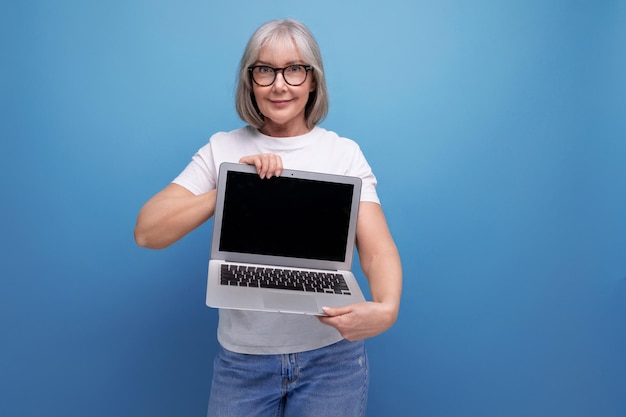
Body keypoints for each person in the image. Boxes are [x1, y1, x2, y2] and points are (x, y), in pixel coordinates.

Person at [134, 19, 402, 417]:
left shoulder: (343, 154)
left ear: (313, 81)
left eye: (295, 69)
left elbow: (378, 253)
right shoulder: (223, 148)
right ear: (250, 81)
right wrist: (231, 186)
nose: (280, 84)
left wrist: (387, 308)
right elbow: (148, 232)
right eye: (265, 70)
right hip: (243, 364)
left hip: (332, 362)